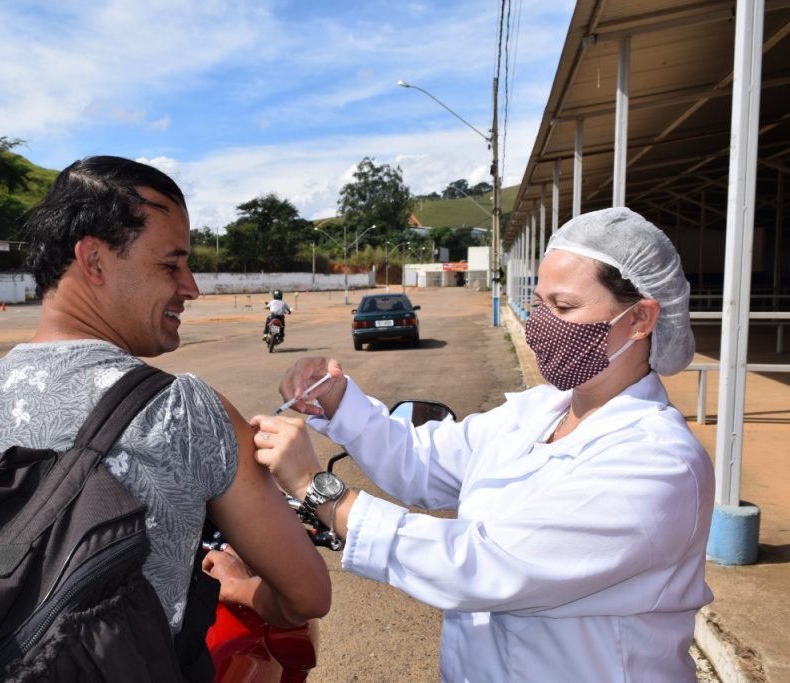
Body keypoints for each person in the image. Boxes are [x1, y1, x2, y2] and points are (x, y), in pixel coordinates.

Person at [251, 207, 714, 682]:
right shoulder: (537, 411)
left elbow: (478, 565)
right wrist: (338, 400)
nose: (542, 325)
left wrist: (319, 488)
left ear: (639, 319)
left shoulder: (657, 463)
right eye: (539, 303)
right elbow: (422, 462)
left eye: (565, 308)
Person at [0, 156, 330, 664]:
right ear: (94, 260)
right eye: (171, 264)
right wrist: (237, 588)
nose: (190, 286)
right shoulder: (184, 411)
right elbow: (307, 596)